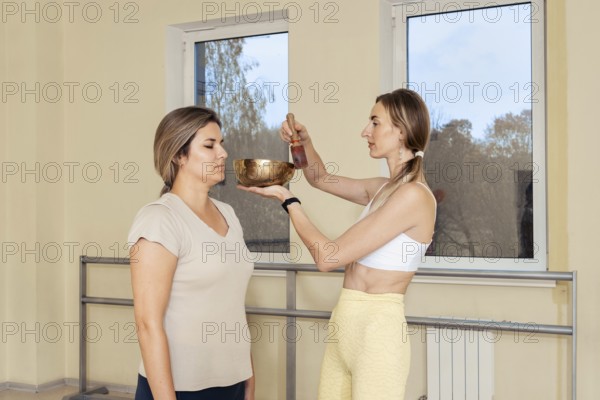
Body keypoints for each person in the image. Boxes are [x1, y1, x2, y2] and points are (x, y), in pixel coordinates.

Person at [239, 88, 436, 400]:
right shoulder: (383, 189)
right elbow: (319, 177)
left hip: (378, 331)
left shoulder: (414, 196)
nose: (365, 132)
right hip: (345, 320)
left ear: (401, 131)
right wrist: (304, 144)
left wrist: (287, 199)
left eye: (374, 123)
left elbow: (328, 258)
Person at [128, 106, 255, 400]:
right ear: (178, 155)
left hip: (233, 381)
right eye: (209, 145)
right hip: (179, 387)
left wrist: (248, 379)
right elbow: (147, 324)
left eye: (221, 144)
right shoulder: (159, 219)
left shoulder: (228, 214)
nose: (222, 153)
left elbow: (233, 306)